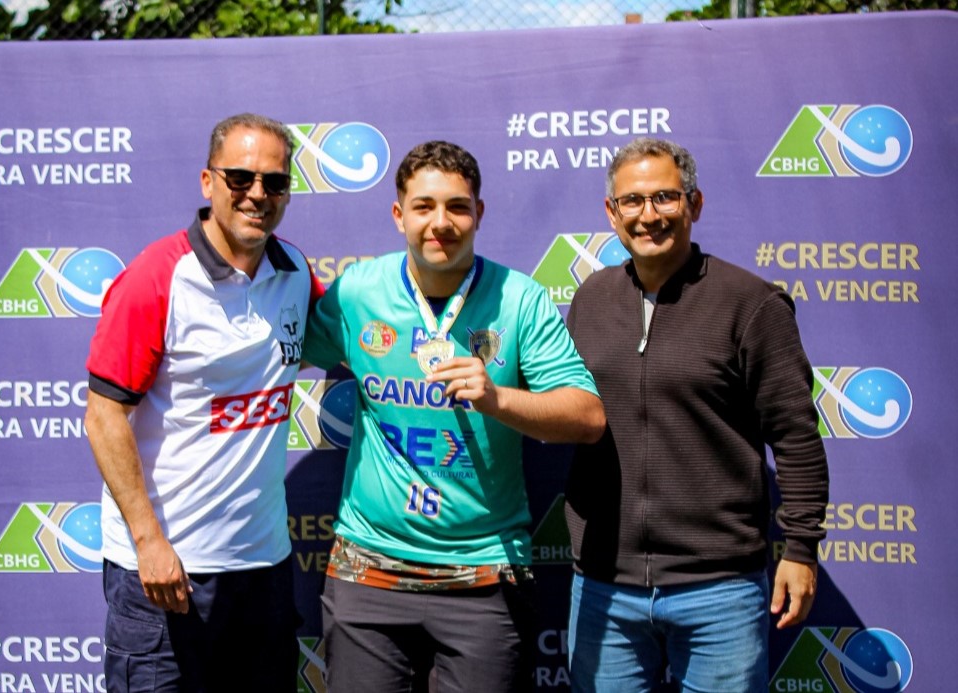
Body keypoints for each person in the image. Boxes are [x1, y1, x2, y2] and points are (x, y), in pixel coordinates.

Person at [303, 140, 606, 693]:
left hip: (484, 571)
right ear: (399, 215)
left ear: (479, 214)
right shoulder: (358, 293)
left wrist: (498, 399)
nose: (440, 223)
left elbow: (587, 417)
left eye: (457, 207)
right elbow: (279, 348)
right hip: (369, 569)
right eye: (423, 206)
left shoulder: (519, 299)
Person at [563, 137, 829, 692]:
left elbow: (796, 437)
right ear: (611, 212)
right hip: (605, 587)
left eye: (665, 197)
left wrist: (801, 549)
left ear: (695, 204)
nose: (649, 215)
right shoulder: (590, 299)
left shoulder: (751, 303)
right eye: (632, 201)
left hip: (720, 589)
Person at [83, 112, 322, 693]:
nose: (257, 194)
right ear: (208, 181)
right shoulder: (157, 277)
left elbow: (359, 338)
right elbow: (103, 415)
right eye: (240, 178)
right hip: (167, 574)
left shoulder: (294, 272)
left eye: (274, 181)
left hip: (262, 570)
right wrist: (149, 544)